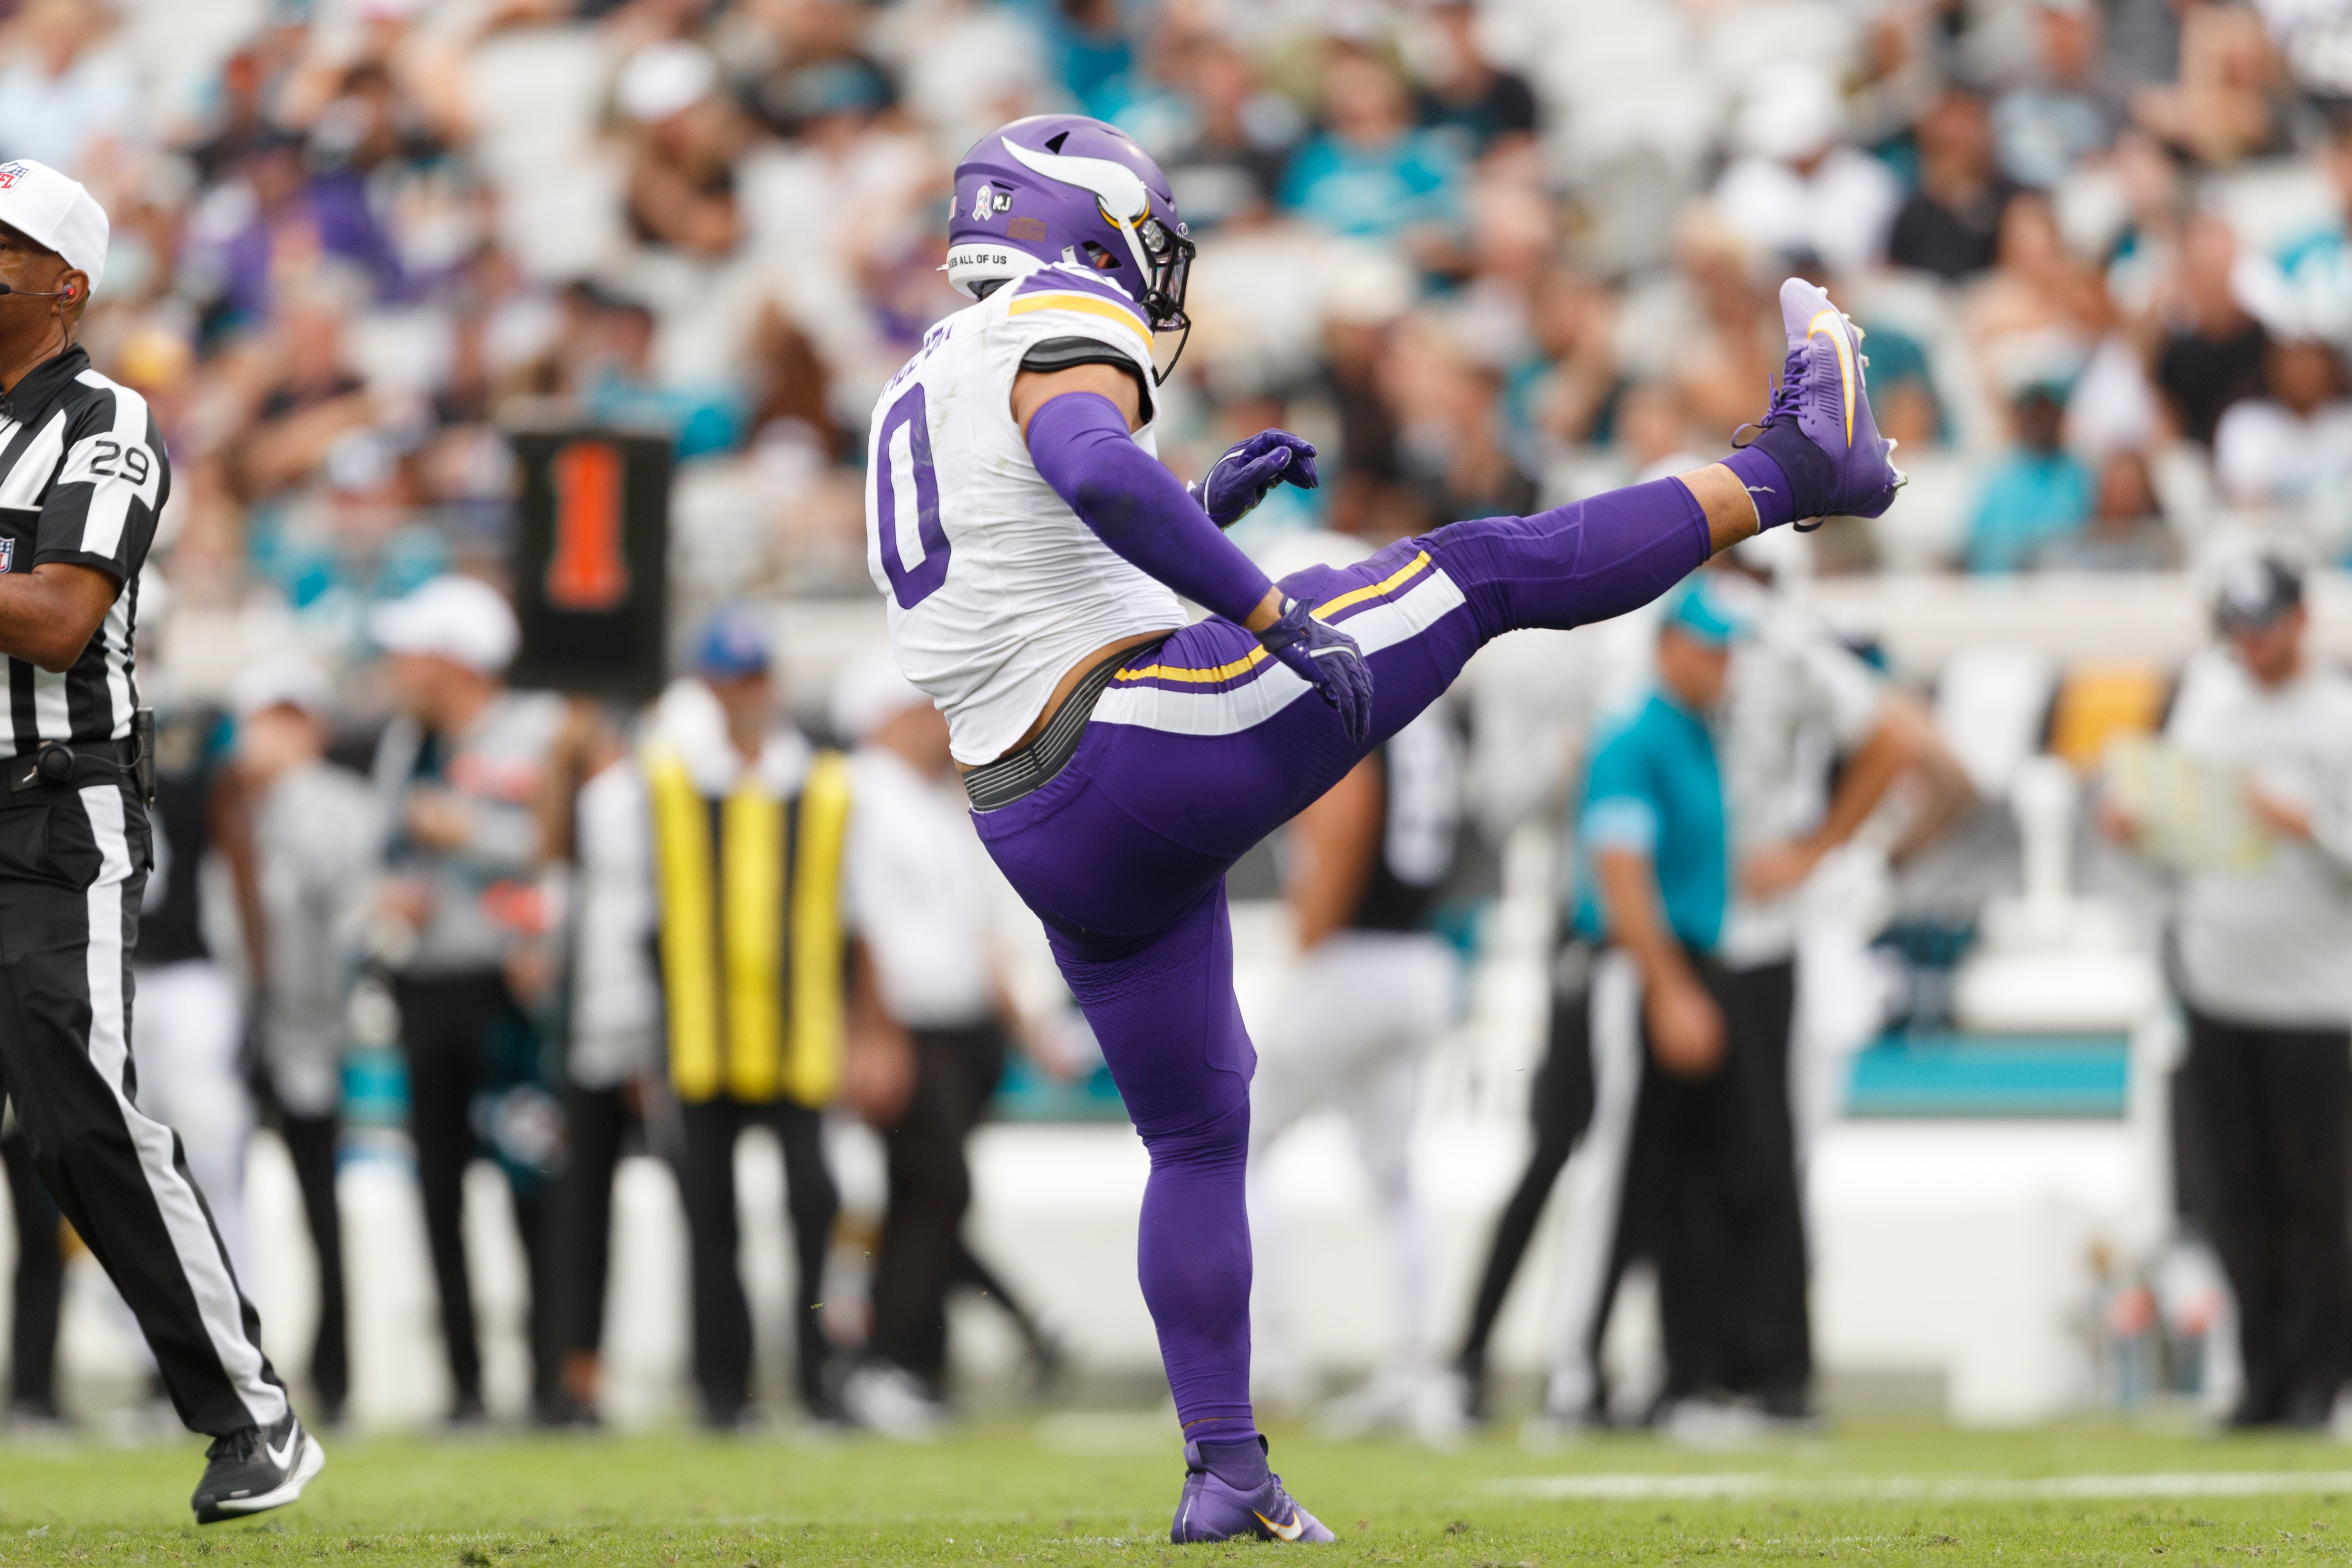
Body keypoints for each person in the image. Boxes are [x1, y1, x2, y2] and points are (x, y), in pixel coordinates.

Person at [866, 113, 1901, 1543]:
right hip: (1131, 738)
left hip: (1033, 813)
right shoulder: (1057, 316)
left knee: (1197, 1137)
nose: (1154, 270)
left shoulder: (922, 379)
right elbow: (1094, 471)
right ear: (1079, 228)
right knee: (1479, 568)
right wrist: (1258, 603)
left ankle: (1225, 1467)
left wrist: (1198, 513)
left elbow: (1033, 550)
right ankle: (1798, 465)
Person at [1455, 571, 1962, 1431]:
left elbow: (1903, 742)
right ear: (1671, 644)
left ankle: (1724, 1374)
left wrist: (1814, 852)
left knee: (1736, 1164)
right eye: (1710, 651)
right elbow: (1616, 860)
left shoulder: (1728, 689)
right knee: (1628, 1172)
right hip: (1648, 963)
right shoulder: (1645, 721)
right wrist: (1667, 982)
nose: (1726, 666)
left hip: (1727, 952)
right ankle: (1586, 1376)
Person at [0, 158, 318, 1519]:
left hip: (51, 809)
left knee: (78, 1113)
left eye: (4, 246)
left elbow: (59, 615)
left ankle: (250, 1411)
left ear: (65, 285)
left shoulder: (107, 420)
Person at [582, 608, 885, 1429]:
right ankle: (726, 1392)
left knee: (814, 1211)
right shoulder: (664, 781)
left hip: (799, 1038)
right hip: (698, 1038)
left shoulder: (825, 784)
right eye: (729, 681)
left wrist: (868, 1030)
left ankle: (820, 1381)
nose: (744, 696)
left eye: (753, 678)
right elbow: (626, 906)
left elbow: (860, 922)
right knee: (709, 1221)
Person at [2104, 558, 2352, 1427]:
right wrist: (2136, 834)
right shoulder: (2208, 713)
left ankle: (2318, 1376)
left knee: (2313, 1195)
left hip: (2316, 997)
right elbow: (2181, 852)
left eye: (2262, 625)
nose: (2249, 645)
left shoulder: (2339, 718)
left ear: (2301, 620)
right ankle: (2262, 1374)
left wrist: (2309, 826)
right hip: (2216, 981)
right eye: (2236, 630)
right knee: (2234, 1194)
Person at [831, 648, 1053, 1438]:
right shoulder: (859, 792)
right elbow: (859, 925)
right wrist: (874, 1031)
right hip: (909, 1021)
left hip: (958, 1022)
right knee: (937, 1185)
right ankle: (888, 1357)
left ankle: (915, 1359)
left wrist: (1023, 1025)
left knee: (924, 1191)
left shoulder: (934, 800)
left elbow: (972, 926)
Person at [1246, 646, 1464, 1439]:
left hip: (1351, 961)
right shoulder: (1431, 708)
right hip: (1418, 959)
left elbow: (1346, 811)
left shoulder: (1356, 698)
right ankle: (1414, 1369)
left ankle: (1269, 1357)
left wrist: (1308, 935)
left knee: (1232, 1146)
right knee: (1396, 1177)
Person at [369, 573, 567, 1425]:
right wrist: (388, 895)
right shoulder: (405, 743)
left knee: (531, 1179)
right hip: (426, 981)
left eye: (412, 651)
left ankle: (552, 1378)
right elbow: (381, 851)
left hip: (510, 986)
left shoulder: (539, 730)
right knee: (438, 1188)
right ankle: (464, 1385)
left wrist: (471, 833)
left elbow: (560, 846)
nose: (397, 667)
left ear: (455, 660)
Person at [231, 654, 386, 1427]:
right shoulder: (217, 797)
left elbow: (347, 909)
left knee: (320, 1206)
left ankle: (336, 1373)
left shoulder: (341, 804)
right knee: (209, 1202)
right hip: (226, 1027)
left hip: (307, 1031)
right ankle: (217, 1370)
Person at [128, 702, 264, 1291]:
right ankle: (146, 1330)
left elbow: (238, 849)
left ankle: (237, 1304)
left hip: (187, 974)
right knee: (126, 1163)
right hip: (113, 976)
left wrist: (260, 982)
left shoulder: (190, 734)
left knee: (210, 1147)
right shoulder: (58, 729)